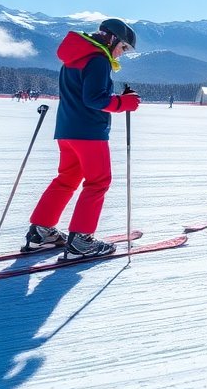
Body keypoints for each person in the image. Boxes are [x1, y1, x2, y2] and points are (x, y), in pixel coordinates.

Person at [23, 18, 140, 260]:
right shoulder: (98, 59)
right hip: (89, 132)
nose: (122, 53)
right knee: (98, 182)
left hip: (67, 129)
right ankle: (81, 241)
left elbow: (84, 94)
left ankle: (41, 232)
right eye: (123, 47)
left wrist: (116, 98)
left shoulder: (76, 56)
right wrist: (123, 103)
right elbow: (94, 99)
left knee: (67, 179)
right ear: (111, 39)